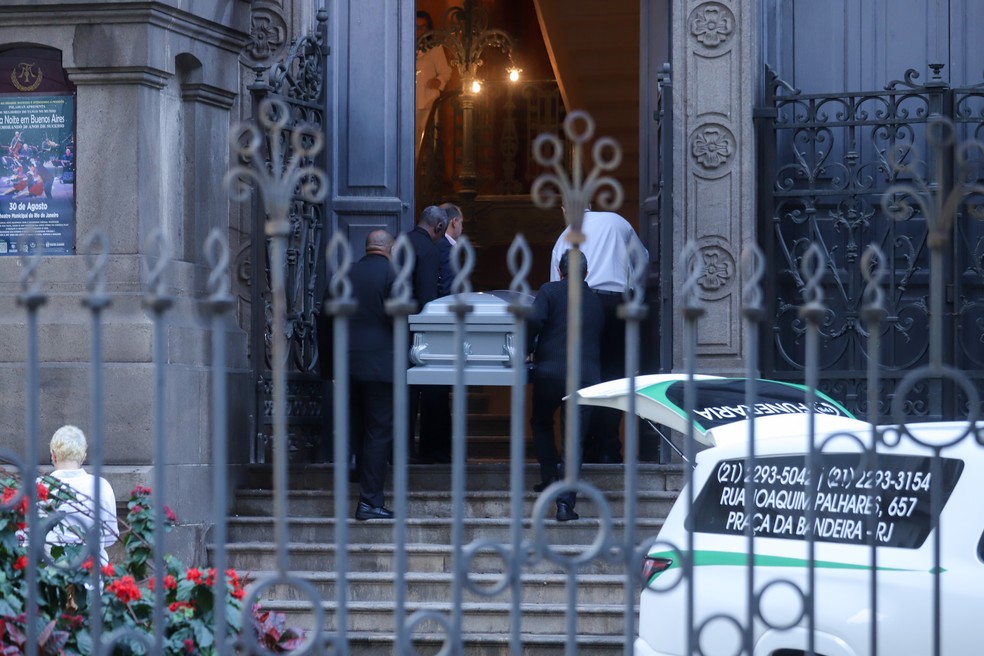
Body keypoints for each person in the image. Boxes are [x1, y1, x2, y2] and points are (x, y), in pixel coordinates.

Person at [549, 209, 650, 463]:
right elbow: (643, 259)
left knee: (585, 377)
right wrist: (633, 291)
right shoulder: (618, 221)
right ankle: (608, 448)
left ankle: (583, 448)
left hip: (581, 304)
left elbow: (557, 285)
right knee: (615, 377)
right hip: (617, 304)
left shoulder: (563, 237)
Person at [527, 250, 604, 521]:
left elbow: (534, 319)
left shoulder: (549, 291)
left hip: (551, 372)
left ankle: (549, 477)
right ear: (587, 273)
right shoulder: (596, 301)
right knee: (573, 441)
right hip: (584, 379)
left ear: (560, 271)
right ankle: (564, 504)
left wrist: (527, 348)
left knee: (540, 421)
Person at [346, 230, 398, 520]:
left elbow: (326, 318)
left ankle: (356, 478)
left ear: (367, 247)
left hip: (348, 364)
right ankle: (369, 501)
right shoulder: (393, 275)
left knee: (356, 426)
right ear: (389, 248)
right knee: (378, 432)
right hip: (381, 366)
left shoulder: (346, 274)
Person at [406, 205, 450, 463]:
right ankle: (423, 451)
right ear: (439, 227)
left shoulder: (401, 241)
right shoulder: (429, 250)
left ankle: (401, 448)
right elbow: (427, 298)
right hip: (418, 332)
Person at [43, 425, 119, 564]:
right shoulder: (102, 486)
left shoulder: (39, 487)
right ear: (83, 456)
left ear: (53, 454)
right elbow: (110, 535)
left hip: (49, 576)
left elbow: (26, 536)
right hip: (92, 574)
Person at [415, 10, 452, 156]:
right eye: (416, 26)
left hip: (427, 103)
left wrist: (439, 81)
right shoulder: (404, 47)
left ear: (428, 29)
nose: (418, 31)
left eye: (422, 27)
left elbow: (446, 71)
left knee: (426, 145)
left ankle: (423, 175)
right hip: (407, 105)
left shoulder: (435, 49)